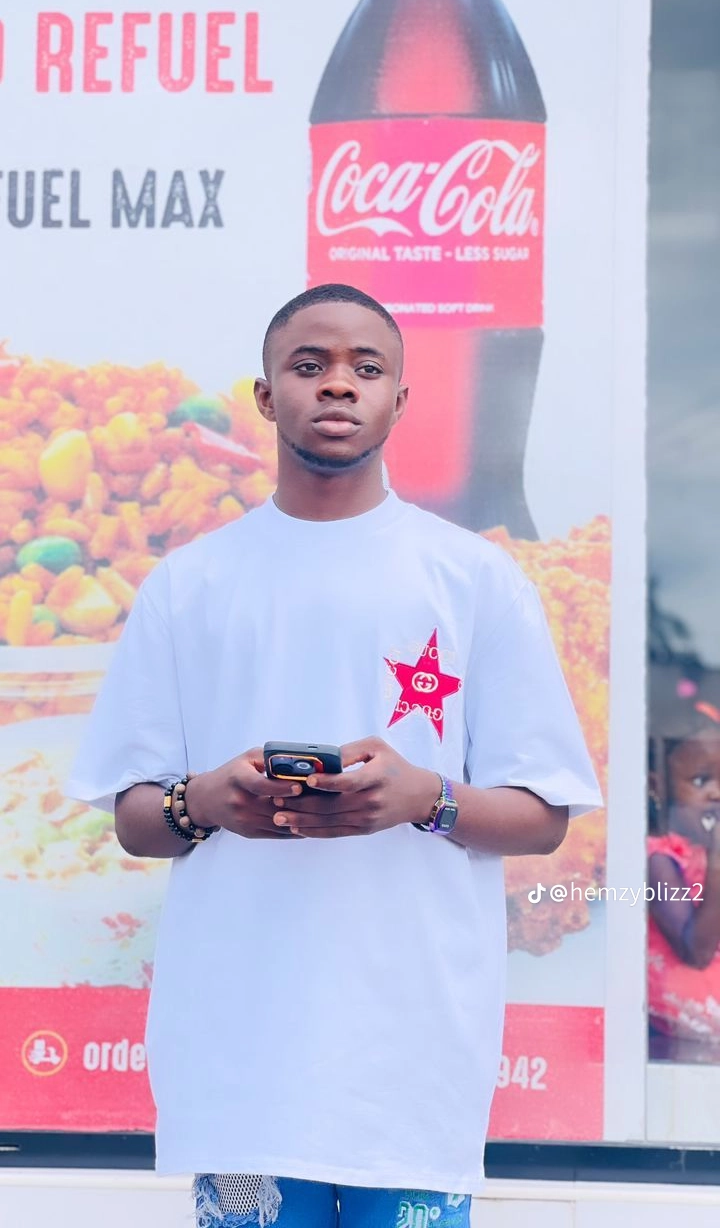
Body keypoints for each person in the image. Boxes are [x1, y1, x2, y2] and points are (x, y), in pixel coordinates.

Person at [68, 283, 602, 1228]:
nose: (338, 385)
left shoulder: (476, 579)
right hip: (241, 1059)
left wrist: (425, 798)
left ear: (402, 398)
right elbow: (137, 822)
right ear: (265, 396)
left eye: (367, 367)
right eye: (309, 365)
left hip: (413, 1061)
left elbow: (543, 816)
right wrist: (208, 802)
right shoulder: (189, 584)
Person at [648, 709, 720, 1062]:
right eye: (701, 780)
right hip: (683, 1036)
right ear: (657, 786)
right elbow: (696, 951)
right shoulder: (659, 860)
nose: (716, 793)